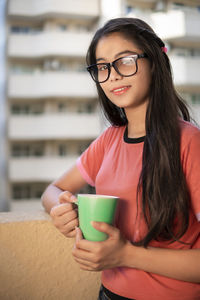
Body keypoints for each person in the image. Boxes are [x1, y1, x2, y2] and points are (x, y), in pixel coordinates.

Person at [41, 18, 200, 300]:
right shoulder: (108, 141)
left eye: (124, 60)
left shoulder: (189, 142)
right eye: (102, 67)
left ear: (153, 62)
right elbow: (52, 191)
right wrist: (59, 210)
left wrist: (125, 254)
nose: (112, 75)